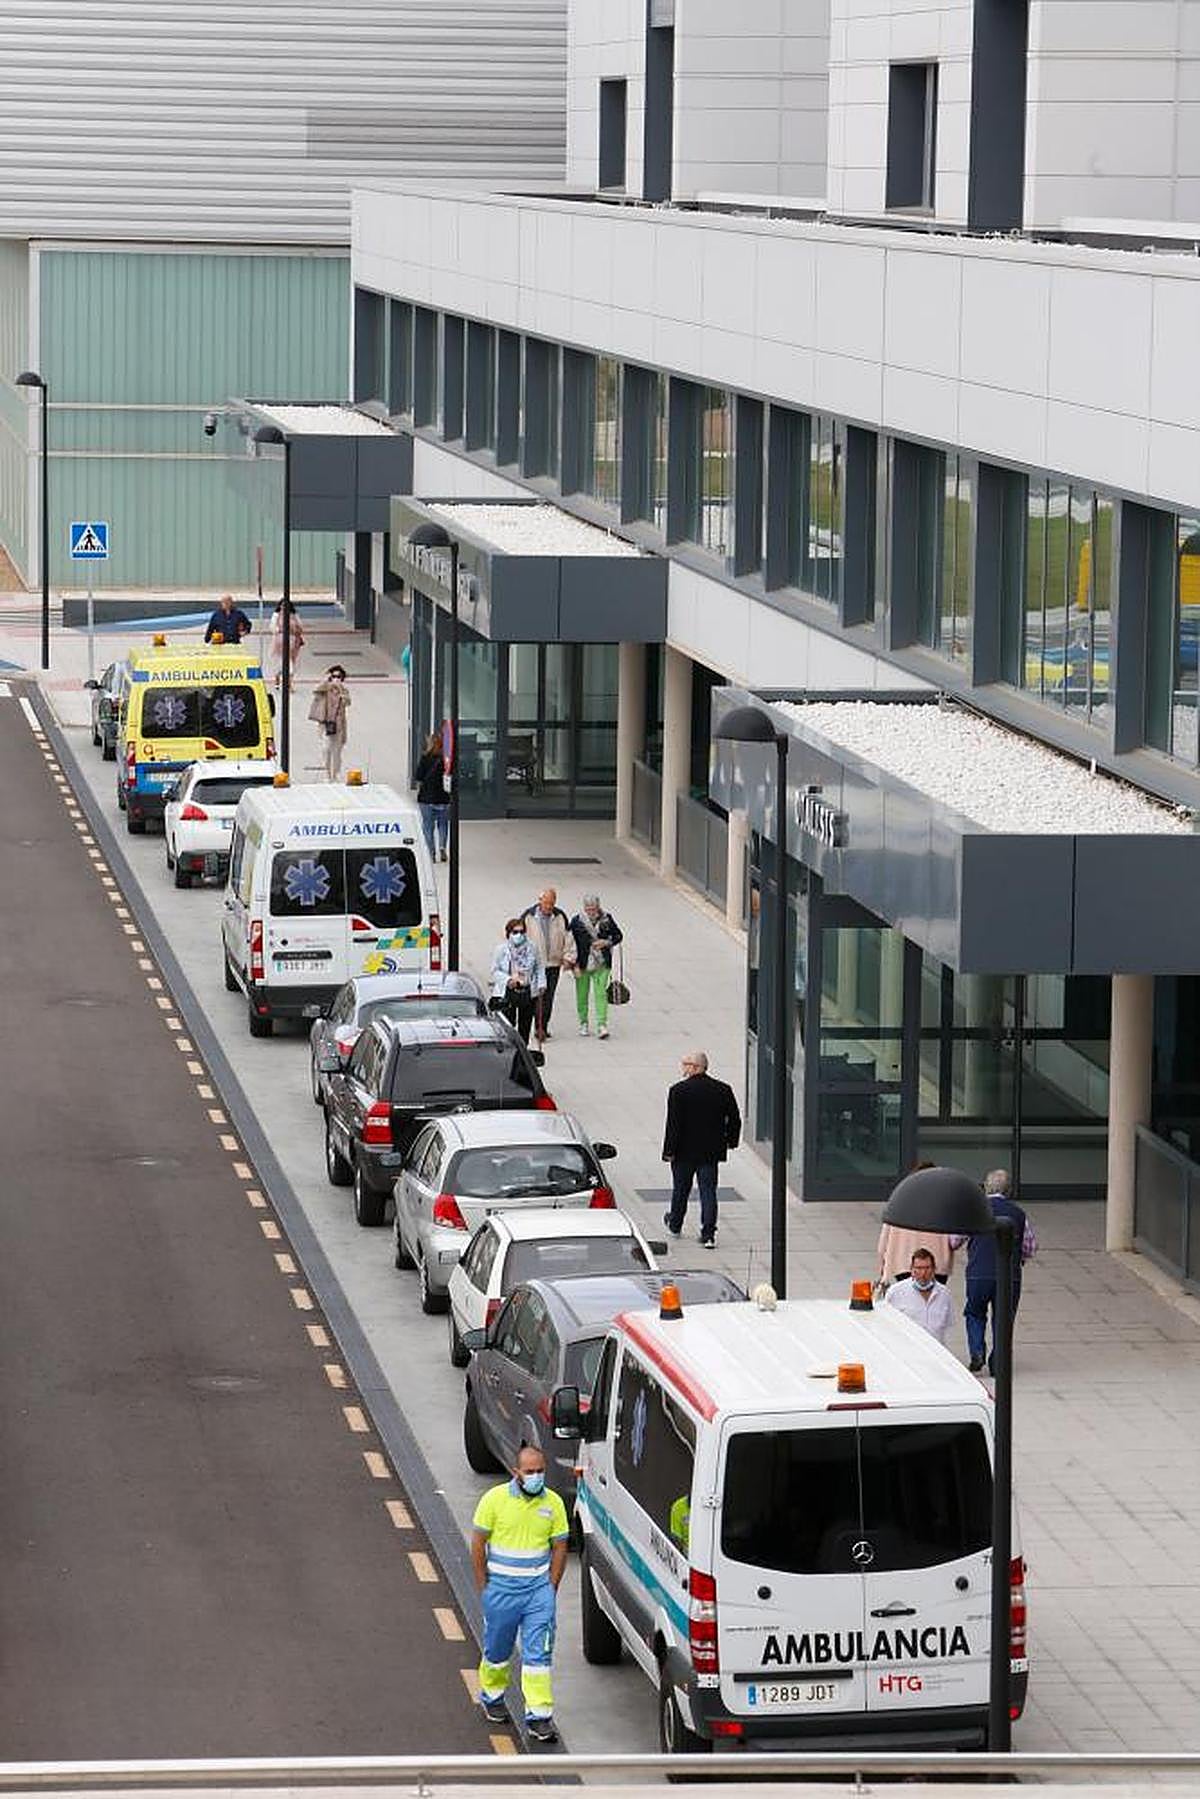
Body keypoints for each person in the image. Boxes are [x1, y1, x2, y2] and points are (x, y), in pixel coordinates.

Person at [471, 1444, 569, 1742]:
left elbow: (560, 1546)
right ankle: (492, 1696)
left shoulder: (553, 1503)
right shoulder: (494, 1500)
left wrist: (550, 1588)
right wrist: (484, 1586)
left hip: (538, 1594)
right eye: (530, 1472)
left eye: (540, 1471)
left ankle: (539, 1717)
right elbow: (478, 1543)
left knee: (538, 1655)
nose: (536, 1476)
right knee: (497, 1650)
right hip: (501, 1591)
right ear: (517, 1473)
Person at [951, 1169, 1038, 1374]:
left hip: (978, 1273)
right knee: (1004, 1318)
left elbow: (954, 1240)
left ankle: (977, 1350)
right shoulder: (1018, 1213)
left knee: (974, 1312)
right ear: (1008, 1190)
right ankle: (998, 1361)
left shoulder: (975, 1210)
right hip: (1009, 1276)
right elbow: (1030, 1247)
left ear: (985, 1187)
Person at [661, 1049, 742, 1249]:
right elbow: (734, 1118)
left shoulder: (678, 1090)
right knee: (708, 1191)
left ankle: (675, 1223)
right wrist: (731, 1141)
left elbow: (673, 1124)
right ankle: (708, 1233)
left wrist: (668, 1151)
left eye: (686, 1064)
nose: (683, 1067)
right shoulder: (722, 1089)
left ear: (696, 1067)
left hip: (683, 1151)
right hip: (710, 1151)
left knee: (681, 1189)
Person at [877, 1163, 954, 1287]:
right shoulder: (944, 1203)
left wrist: (883, 1268)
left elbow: (883, 1243)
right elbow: (955, 1239)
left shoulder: (899, 1201)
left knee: (908, 1301)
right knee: (933, 1301)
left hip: (903, 1264)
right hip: (937, 1265)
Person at [568, 893, 623, 1041]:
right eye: (588, 908)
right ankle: (583, 1022)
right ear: (584, 908)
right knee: (582, 994)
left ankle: (601, 1024)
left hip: (602, 963)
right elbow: (570, 943)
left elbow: (618, 936)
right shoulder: (577, 921)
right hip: (582, 963)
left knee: (601, 994)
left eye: (593, 908)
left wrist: (606, 942)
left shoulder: (607, 919)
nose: (591, 911)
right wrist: (573, 965)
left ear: (598, 907)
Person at [523, 888, 571, 1041]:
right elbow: (520, 938)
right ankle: (537, 1026)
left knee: (548, 997)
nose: (549, 907)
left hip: (553, 964)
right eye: (546, 903)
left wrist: (567, 957)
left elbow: (568, 938)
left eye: (551, 903)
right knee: (537, 995)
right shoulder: (529, 916)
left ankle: (542, 1027)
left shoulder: (560, 916)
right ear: (540, 901)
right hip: (536, 964)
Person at [489, 916, 545, 1045]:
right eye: (515, 932)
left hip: (527, 990)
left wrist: (541, 984)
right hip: (508, 991)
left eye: (521, 932)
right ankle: (509, 1046)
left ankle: (523, 1049)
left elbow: (539, 967)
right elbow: (495, 970)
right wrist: (508, 980)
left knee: (525, 1025)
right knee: (508, 1023)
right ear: (508, 933)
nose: (518, 935)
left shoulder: (532, 948)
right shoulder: (501, 950)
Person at [885, 1248, 954, 1345]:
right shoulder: (895, 1292)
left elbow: (947, 1324)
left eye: (927, 1268)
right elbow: (887, 1324)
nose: (923, 1273)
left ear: (934, 1269)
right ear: (912, 1269)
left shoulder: (944, 1294)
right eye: (919, 1268)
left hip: (936, 1350)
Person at [308, 664, 350, 780]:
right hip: (325, 724)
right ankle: (327, 774)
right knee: (326, 749)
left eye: (339, 676)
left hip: (339, 726)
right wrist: (326, 680)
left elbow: (347, 702)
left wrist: (341, 690)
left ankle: (335, 775)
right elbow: (316, 690)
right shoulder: (325, 688)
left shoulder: (344, 691)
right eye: (334, 676)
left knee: (337, 752)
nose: (336, 679)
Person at [413, 729, 450, 861]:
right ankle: (442, 848)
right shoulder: (446, 761)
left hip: (426, 798)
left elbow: (418, 778)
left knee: (428, 826)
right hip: (443, 798)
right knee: (443, 825)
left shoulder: (425, 758)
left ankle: (431, 853)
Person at [269, 601, 305, 686]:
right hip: (280, 641)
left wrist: (296, 630)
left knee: (290, 661)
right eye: (282, 606)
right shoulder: (276, 615)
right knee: (282, 661)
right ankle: (283, 679)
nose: (284, 608)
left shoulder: (294, 616)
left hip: (293, 641)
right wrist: (279, 630)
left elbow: (300, 626)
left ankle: (285, 679)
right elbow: (272, 627)